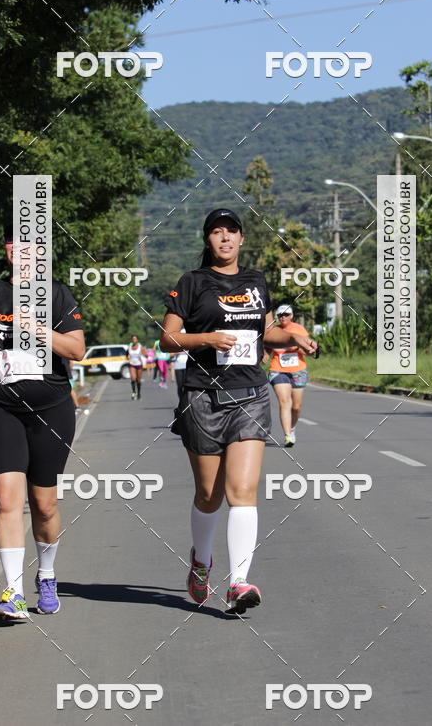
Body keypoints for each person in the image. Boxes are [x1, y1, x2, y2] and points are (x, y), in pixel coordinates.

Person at [160, 208, 318, 614]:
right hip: (202, 396)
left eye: (231, 231)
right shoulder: (192, 283)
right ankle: (201, 561)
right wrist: (207, 338)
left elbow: (266, 332)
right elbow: (167, 339)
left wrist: (295, 340)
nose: (225, 238)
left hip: (249, 394)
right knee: (209, 496)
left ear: (242, 239)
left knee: (242, 492)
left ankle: (239, 582)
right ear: (207, 239)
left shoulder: (255, 281)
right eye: (217, 232)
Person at [0, 223, 85, 621]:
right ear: (7, 249)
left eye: (30, 244)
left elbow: (77, 350)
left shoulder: (56, 292)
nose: (21, 250)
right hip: (1, 405)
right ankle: (13, 593)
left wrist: (39, 329)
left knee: (44, 505)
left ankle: (46, 575)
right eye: (14, 243)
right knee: (6, 499)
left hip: (51, 408)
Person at [265, 304, 311, 448]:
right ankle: (287, 435)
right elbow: (266, 348)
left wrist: (294, 346)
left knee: (296, 406)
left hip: (298, 370)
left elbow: (307, 350)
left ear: (292, 316)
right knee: (285, 402)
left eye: (286, 315)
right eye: (280, 315)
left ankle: (292, 428)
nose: (283, 317)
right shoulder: (274, 330)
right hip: (278, 369)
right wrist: (264, 354)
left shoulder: (299, 329)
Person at [172, 330, 188, 401]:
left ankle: (186, 401)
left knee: (186, 386)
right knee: (180, 386)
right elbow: (170, 355)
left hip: (187, 366)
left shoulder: (189, 343)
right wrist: (177, 351)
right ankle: (181, 401)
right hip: (178, 366)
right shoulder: (176, 344)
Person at [127, 335, 144, 399]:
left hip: (139, 364)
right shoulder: (129, 347)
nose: (134, 340)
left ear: (137, 340)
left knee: (138, 380)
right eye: (133, 339)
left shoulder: (140, 347)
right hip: (132, 364)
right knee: (133, 378)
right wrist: (128, 358)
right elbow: (127, 354)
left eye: (135, 339)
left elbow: (144, 354)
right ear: (132, 340)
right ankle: (134, 392)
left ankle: (139, 393)